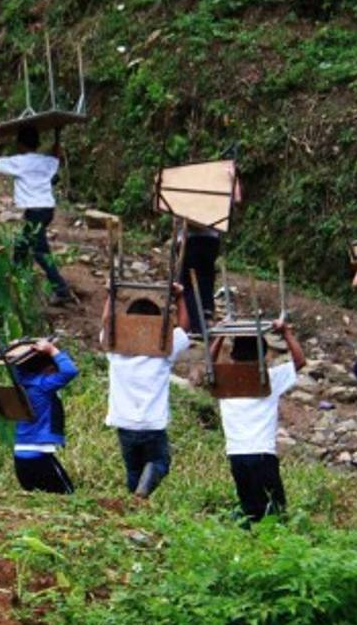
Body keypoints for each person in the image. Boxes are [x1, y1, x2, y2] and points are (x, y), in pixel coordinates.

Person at [101, 285, 192, 498]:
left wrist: (110, 296)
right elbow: (185, 328)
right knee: (160, 462)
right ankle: (142, 493)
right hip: (152, 423)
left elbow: (106, 323)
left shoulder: (115, 349)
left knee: (133, 469)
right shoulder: (164, 349)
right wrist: (179, 297)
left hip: (124, 423)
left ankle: (135, 503)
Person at [212, 320, 305, 525]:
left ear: (233, 355)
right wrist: (287, 333)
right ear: (263, 354)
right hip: (263, 454)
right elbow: (299, 362)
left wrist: (220, 335)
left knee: (251, 511)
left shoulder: (224, 381)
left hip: (236, 455)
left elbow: (208, 365)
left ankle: (255, 547)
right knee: (276, 512)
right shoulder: (268, 378)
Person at [0, 124, 71, 304]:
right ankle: (15, 280)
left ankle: (61, 289)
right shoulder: (44, 161)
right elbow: (57, 156)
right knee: (22, 245)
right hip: (47, 210)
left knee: (40, 251)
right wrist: (57, 133)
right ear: (37, 143)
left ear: (20, 144)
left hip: (36, 211)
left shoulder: (19, 162)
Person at [179, 167, 241, 335]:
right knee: (205, 280)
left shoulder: (190, 191)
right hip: (210, 241)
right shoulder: (215, 191)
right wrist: (233, 178)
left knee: (188, 284)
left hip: (192, 240)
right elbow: (237, 199)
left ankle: (195, 325)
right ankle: (204, 317)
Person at [11, 339, 79, 494]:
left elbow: (17, 366)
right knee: (67, 495)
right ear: (48, 369)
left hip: (19, 455)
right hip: (39, 454)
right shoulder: (43, 386)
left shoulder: (21, 382)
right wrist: (52, 350)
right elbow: (70, 371)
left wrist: (18, 351)